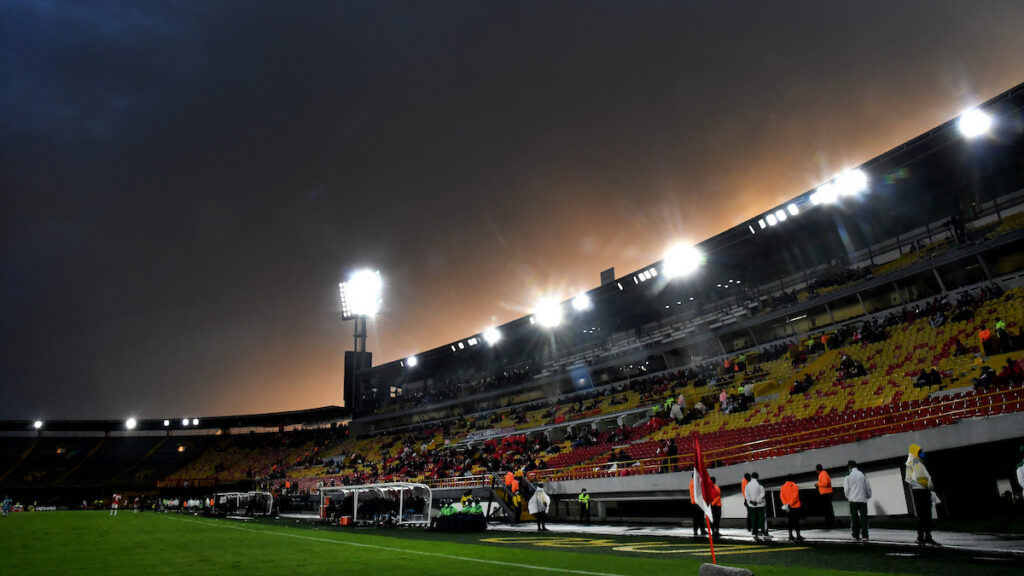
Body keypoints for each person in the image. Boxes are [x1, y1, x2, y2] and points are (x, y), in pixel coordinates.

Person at [905, 444, 940, 546]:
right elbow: (914, 479)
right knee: (924, 515)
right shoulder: (914, 463)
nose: (922, 454)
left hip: (922, 491)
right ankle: (923, 536)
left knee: (925, 515)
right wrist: (925, 484)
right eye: (919, 452)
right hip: (921, 491)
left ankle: (924, 536)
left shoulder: (916, 463)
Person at [844, 460, 872, 542]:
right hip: (863, 500)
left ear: (849, 466)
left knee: (854, 518)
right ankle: (865, 536)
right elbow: (868, 487)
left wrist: (848, 497)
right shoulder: (862, 474)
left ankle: (856, 535)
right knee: (864, 518)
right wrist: (868, 496)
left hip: (853, 500)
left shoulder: (848, 475)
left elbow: (846, 489)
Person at [744, 472, 770, 542]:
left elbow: (746, 495)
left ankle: (754, 533)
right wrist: (757, 501)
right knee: (762, 519)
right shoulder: (760, 484)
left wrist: (751, 502)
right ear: (757, 477)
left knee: (753, 519)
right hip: (760, 505)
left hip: (751, 506)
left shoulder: (747, 485)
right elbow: (763, 494)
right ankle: (764, 533)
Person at [779, 476, 803, 542]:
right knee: (796, 521)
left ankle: (790, 535)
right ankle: (798, 535)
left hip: (787, 507)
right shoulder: (795, 486)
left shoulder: (783, 486)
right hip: (795, 506)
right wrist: (791, 503)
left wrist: (786, 504)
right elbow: (795, 496)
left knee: (790, 521)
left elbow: (781, 496)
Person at [815, 464, 835, 528]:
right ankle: (830, 523)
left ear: (818, 470)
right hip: (827, 493)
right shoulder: (823, 473)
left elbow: (825, 483)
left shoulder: (823, 474)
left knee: (827, 510)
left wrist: (817, 484)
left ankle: (829, 524)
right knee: (828, 509)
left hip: (826, 494)